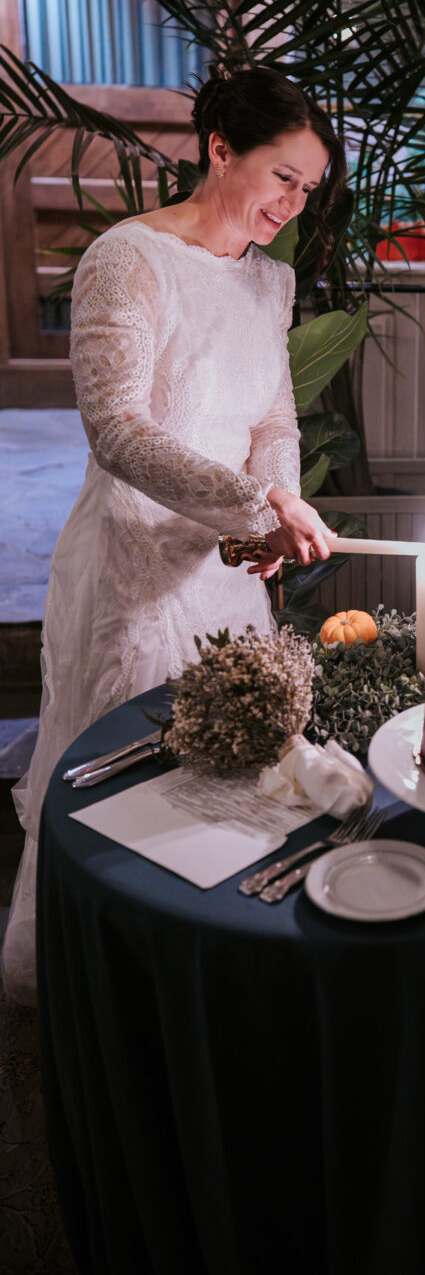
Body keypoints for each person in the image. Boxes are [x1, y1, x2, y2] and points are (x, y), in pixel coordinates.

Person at [1, 66, 347, 1007]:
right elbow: (115, 431)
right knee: (121, 790)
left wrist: (270, 505)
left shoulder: (271, 282)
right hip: (132, 572)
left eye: (310, 188)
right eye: (284, 176)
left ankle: (200, 976)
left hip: (226, 576)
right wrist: (255, 507)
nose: (295, 204)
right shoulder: (125, 258)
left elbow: (274, 422)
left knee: (226, 783)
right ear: (221, 150)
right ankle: (110, 991)